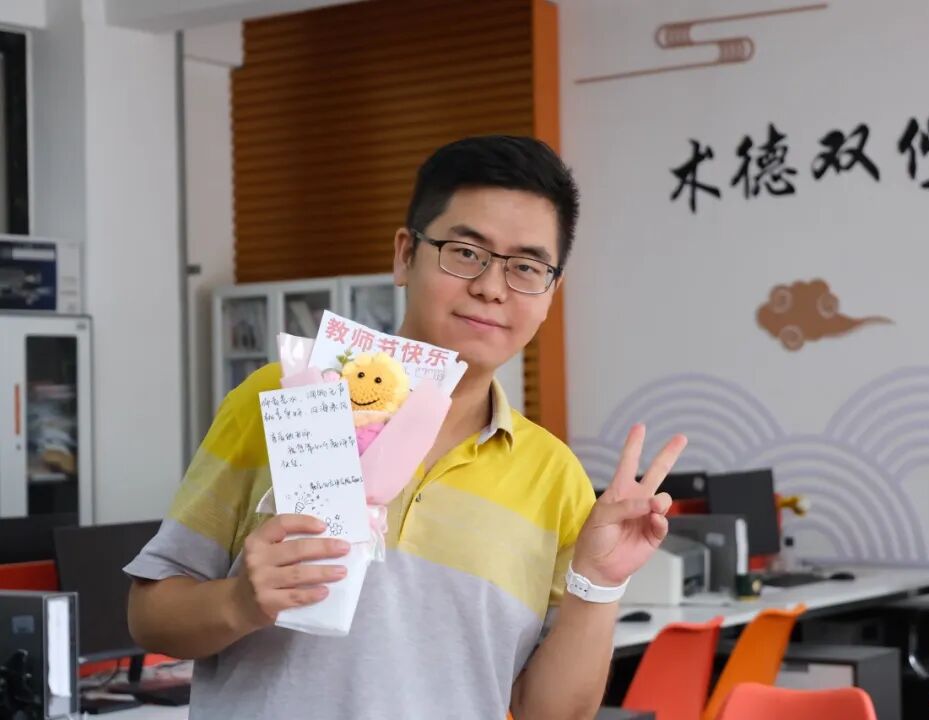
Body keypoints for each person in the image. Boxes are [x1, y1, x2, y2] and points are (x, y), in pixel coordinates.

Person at [126, 135, 686, 719]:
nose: (491, 288)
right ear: (404, 255)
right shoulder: (285, 396)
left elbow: (549, 714)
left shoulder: (555, 479)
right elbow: (150, 616)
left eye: (526, 267)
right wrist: (240, 603)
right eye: (465, 252)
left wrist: (598, 582)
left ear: (549, 294)